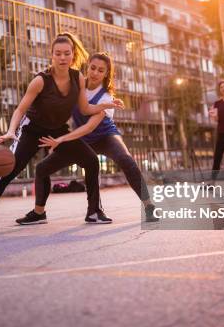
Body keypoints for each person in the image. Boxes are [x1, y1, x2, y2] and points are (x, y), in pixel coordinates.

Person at [0, 33, 123, 231]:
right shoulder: (40, 81)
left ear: (73, 55)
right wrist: (12, 131)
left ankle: (93, 212)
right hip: (32, 129)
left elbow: (85, 109)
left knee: (90, 160)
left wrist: (107, 104)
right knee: (8, 169)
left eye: (67, 53)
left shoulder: (77, 78)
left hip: (57, 130)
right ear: (51, 55)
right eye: (58, 54)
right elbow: (20, 109)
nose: (62, 57)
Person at [21, 52, 159, 223]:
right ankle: (39, 213)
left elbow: (89, 127)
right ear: (87, 67)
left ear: (106, 74)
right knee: (42, 168)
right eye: (92, 68)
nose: (95, 73)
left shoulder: (106, 97)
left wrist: (63, 139)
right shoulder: (75, 86)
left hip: (105, 136)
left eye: (100, 71)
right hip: (82, 138)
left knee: (126, 159)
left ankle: (148, 206)